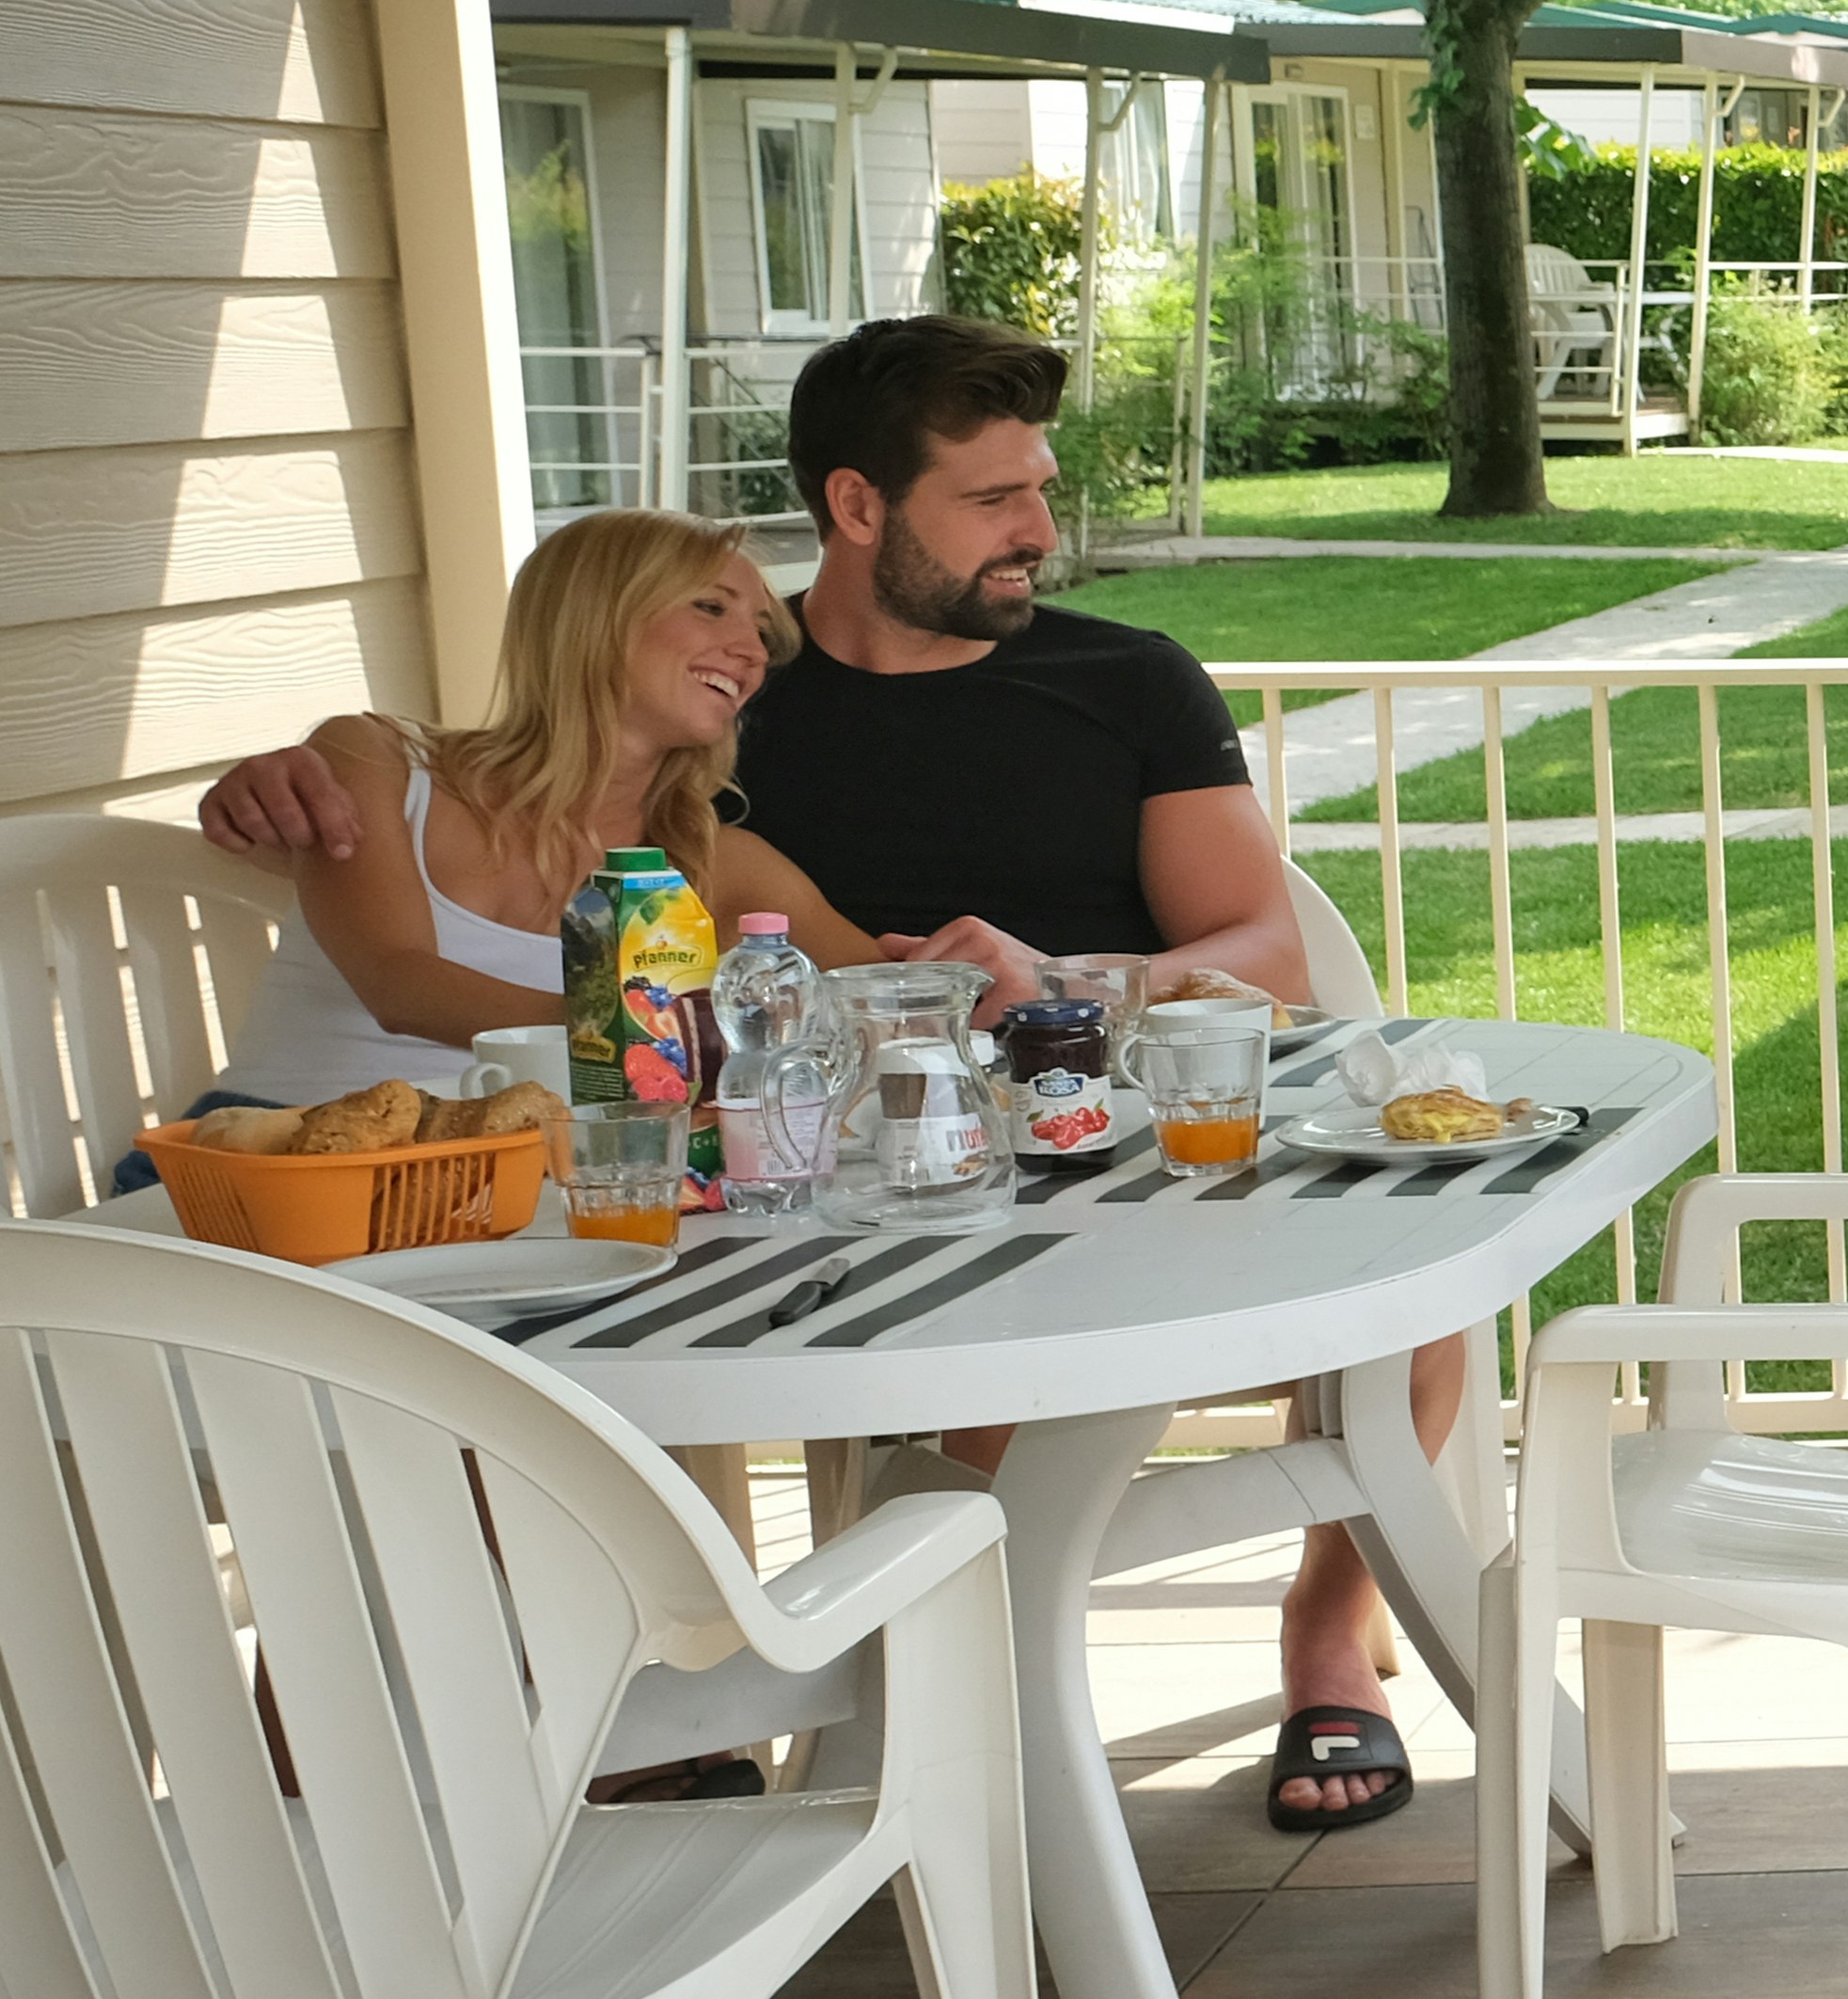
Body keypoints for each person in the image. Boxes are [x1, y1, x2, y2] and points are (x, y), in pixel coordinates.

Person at [200, 313, 1454, 1832]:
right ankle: (782, 1725)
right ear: (859, 506)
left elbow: (1241, 948)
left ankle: (1313, 1637)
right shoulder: (715, 730)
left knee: (1427, 1295)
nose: (1042, 532)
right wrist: (272, 781)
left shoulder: (1101, 688)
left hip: (1063, 1131)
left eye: (1039, 490)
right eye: (995, 500)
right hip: (667, 1202)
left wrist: (1052, 982)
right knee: (481, 1408)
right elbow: (454, 890)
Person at [213, 509, 880, 1105]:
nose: (752, 652)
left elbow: (891, 997)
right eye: (711, 607)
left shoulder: (721, 862)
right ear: (592, 616)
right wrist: (654, 1035)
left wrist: (977, 960)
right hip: (262, 1164)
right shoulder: (380, 764)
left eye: (761, 630)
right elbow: (400, 987)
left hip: (521, 1195)